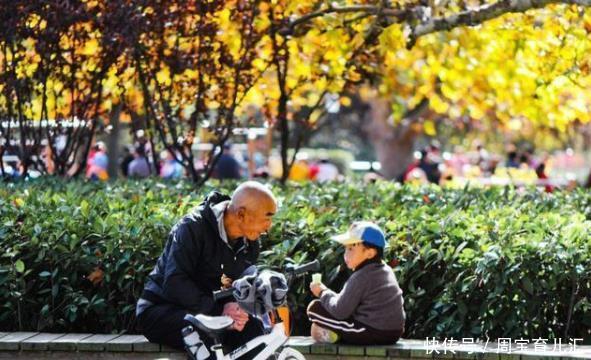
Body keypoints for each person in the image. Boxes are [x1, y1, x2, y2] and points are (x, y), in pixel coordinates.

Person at [136, 181, 278, 359]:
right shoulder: (192, 227)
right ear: (241, 214)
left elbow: (237, 285)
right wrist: (219, 310)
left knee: (255, 331)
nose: (269, 226)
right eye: (267, 217)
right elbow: (174, 283)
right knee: (205, 332)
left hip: (209, 312)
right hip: (160, 309)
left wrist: (239, 310)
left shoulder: (250, 242)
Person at [307, 221, 405, 345]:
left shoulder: (362, 276)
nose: (346, 255)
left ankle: (335, 334)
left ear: (370, 253)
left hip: (371, 331)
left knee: (315, 308)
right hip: (394, 332)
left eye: (351, 249)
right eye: (345, 249)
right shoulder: (386, 270)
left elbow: (340, 311)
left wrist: (322, 292)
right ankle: (336, 333)